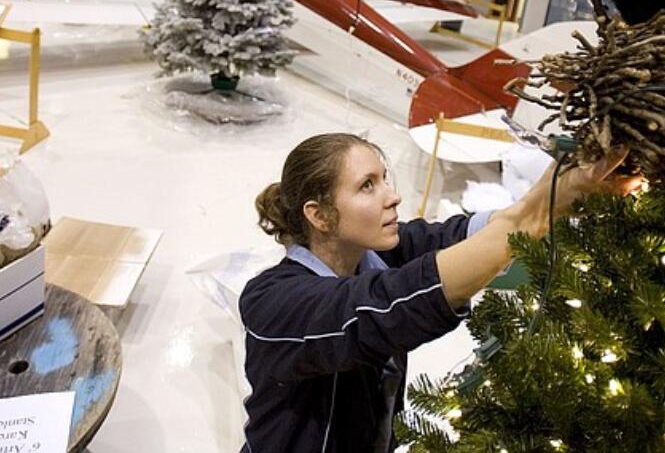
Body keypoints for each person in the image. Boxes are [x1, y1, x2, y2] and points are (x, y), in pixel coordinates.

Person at [239, 133, 638, 453]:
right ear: (319, 214)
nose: (391, 196)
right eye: (366, 186)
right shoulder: (273, 302)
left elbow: (461, 236)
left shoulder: (382, 252)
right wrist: (536, 216)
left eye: (384, 179)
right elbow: (385, 306)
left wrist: (556, 189)